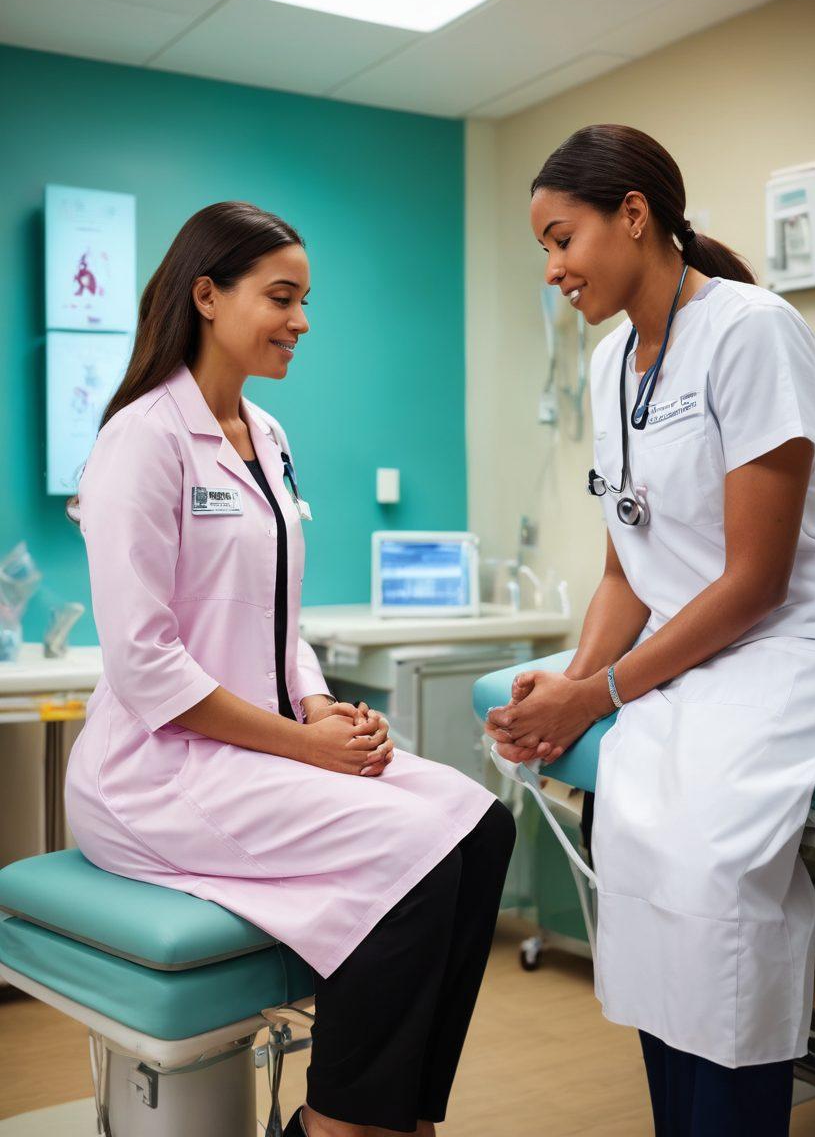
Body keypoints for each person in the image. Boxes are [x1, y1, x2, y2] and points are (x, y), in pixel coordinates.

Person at [64, 201, 515, 1137]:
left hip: (257, 750)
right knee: (413, 857)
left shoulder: (265, 437)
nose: (301, 321)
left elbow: (277, 617)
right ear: (207, 295)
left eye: (305, 300)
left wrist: (321, 707)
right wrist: (308, 747)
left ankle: (404, 1116)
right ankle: (338, 1125)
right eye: (281, 297)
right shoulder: (139, 440)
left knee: (482, 828)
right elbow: (148, 670)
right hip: (154, 772)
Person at [485, 124, 815, 1136]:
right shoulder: (608, 363)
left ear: (633, 215)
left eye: (561, 239)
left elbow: (757, 580)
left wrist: (600, 691)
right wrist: (565, 693)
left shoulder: (750, 329)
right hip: (684, 660)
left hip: (783, 647)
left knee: (710, 867)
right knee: (630, 836)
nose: (551, 269)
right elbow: (622, 568)